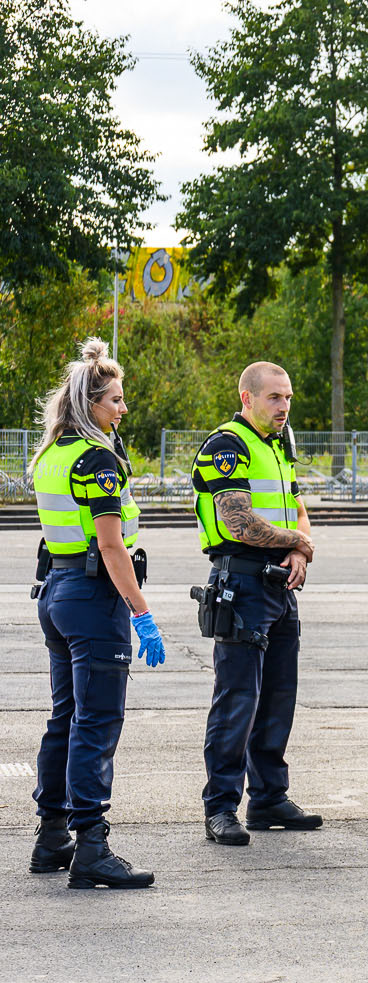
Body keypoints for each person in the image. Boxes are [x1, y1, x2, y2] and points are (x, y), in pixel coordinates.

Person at [30, 338, 162, 889]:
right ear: (91, 406)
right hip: (92, 598)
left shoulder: (51, 454)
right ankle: (91, 847)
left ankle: (52, 835)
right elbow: (111, 547)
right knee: (97, 723)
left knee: (65, 718)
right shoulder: (96, 459)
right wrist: (142, 613)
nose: (123, 409)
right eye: (115, 400)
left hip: (58, 591)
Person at [193, 361, 321, 846]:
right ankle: (221, 808)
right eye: (275, 398)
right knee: (237, 701)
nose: (284, 406)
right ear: (247, 398)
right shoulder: (228, 445)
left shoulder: (278, 444)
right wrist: (299, 543)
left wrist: (296, 547)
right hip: (242, 586)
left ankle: (268, 798)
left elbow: (296, 507)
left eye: (288, 397)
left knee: (278, 698)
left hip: (280, 585)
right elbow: (238, 524)